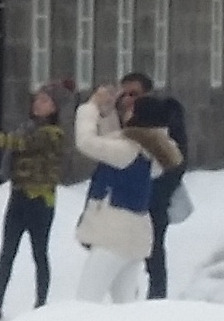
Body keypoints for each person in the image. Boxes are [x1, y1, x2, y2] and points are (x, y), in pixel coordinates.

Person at [67, 83, 181, 303]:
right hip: (134, 235)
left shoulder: (128, 151)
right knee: (125, 304)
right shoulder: (151, 149)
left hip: (113, 236)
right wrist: (107, 112)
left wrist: (91, 107)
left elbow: (87, 142)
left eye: (131, 110)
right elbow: (114, 140)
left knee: (86, 300)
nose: (126, 111)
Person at [0, 84, 68, 320]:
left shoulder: (53, 134)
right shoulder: (25, 128)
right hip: (18, 196)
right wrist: (0, 177)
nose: (38, 104)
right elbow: (13, 152)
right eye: (37, 99)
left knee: (40, 253)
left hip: (41, 199)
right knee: (7, 252)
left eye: (45, 100)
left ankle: (41, 305)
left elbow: (18, 144)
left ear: (54, 107)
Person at [116, 71, 190, 296]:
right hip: (124, 196)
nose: (128, 99)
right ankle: (127, 296)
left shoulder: (162, 119)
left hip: (154, 195)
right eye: (124, 94)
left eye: (134, 94)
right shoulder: (117, 118)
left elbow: (176, 162)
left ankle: (157, 297)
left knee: (153, 248)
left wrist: (159, 194)